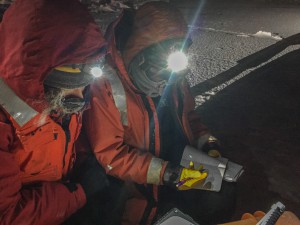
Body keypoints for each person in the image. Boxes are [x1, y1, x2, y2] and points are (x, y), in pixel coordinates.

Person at [83, 2, 236, 224]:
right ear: (141, 55)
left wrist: (208, 144)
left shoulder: (172, 77)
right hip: (137, 183)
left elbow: (190, 117)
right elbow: (110, 155)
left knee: (222, 194)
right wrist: (166, 173)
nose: (166, 81)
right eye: (158, 72)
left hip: (179, 168)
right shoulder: (107, 87)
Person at [0, 0, 109, 224]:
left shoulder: (50, 92)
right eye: (71, 84)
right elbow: (7, 216)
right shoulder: (4, 122)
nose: (80, 97)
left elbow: (66, 140)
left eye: (85, 82)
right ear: (39, 70)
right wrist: (79, 193)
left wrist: (85, 164)